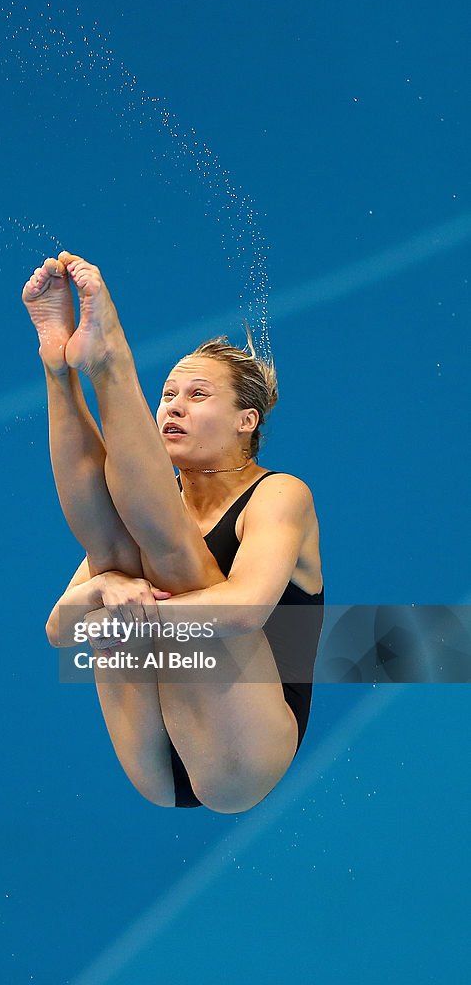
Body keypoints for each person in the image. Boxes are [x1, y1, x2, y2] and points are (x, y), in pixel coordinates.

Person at [22, 251, 324, 813]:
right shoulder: (148, 513)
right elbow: (60, 631)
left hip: (246, 753)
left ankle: (108, 360)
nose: (173, 409)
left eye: (197, 395)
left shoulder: (281, 494)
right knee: (113, 554)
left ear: (246, 420)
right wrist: (99, 594)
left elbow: (243, 611)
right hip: (157, 764)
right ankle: (59, 368)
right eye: (167, 395)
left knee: (164, 559)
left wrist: (128, 614)